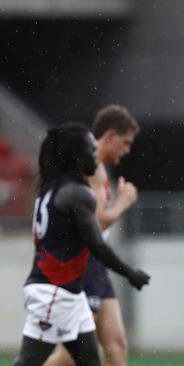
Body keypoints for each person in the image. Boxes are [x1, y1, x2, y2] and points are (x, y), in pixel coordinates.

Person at [13, 123, 150, 366]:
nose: (95, 155)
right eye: (90, 149)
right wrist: (130, 273)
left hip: (70, 294)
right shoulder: (77, 194)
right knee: (28, 362)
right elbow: (97, 245)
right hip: (54, 292)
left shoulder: (52, 188)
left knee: (89, 361)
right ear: (76, 156)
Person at [44, 105, 140, 366]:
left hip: (93, 267)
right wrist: (123, 201)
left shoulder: (97, 168)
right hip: (80, 266)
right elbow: (97, 221)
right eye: (125, 142)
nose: (127, 150)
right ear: (109, 136)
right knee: (70, 355)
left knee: (116, 345)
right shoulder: (92, 168)